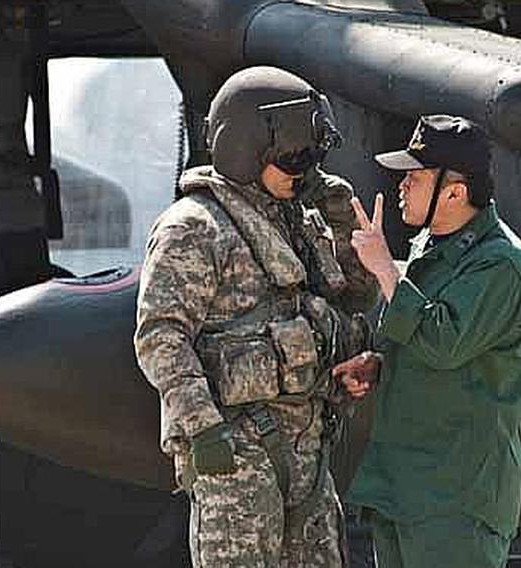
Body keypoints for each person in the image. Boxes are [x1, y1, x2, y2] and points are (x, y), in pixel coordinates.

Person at [134, 66, 377, 567]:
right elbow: (161, 336)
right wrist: (203, 430)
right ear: (243, 148)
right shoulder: (196, 228)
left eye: (311, 156)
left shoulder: (300, 221)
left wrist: (340, 216)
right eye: (292, 158)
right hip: (236, 455)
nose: (303, 170)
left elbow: (356, 295)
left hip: (307, 452)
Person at [335, 114, 521, 567]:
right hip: (406, 491)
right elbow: (431, 347)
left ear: (455, 191)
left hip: (455, 502)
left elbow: (445, 341)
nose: (402, 185)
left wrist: (386, 270)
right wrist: (379, 363)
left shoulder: (501, 264)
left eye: (415, 176)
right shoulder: (431, 244)